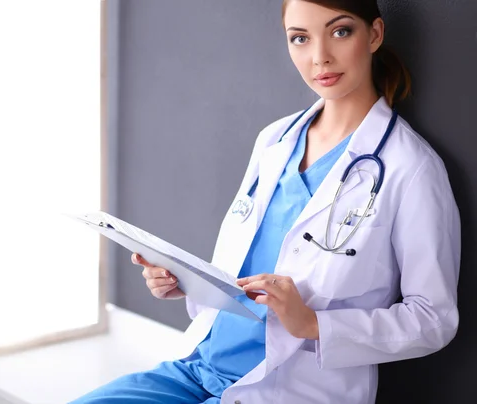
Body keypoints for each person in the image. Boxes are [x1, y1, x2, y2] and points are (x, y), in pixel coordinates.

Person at [70, 0, 461, 402]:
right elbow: (248, 265)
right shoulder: (274, 140)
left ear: (374, 34)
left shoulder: (410, 168)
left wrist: (314, 324)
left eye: (340, 32)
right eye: (300, 38)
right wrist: (187, 284)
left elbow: (433, 320)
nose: (320, 57)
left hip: (290, 387)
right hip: (201, 366)